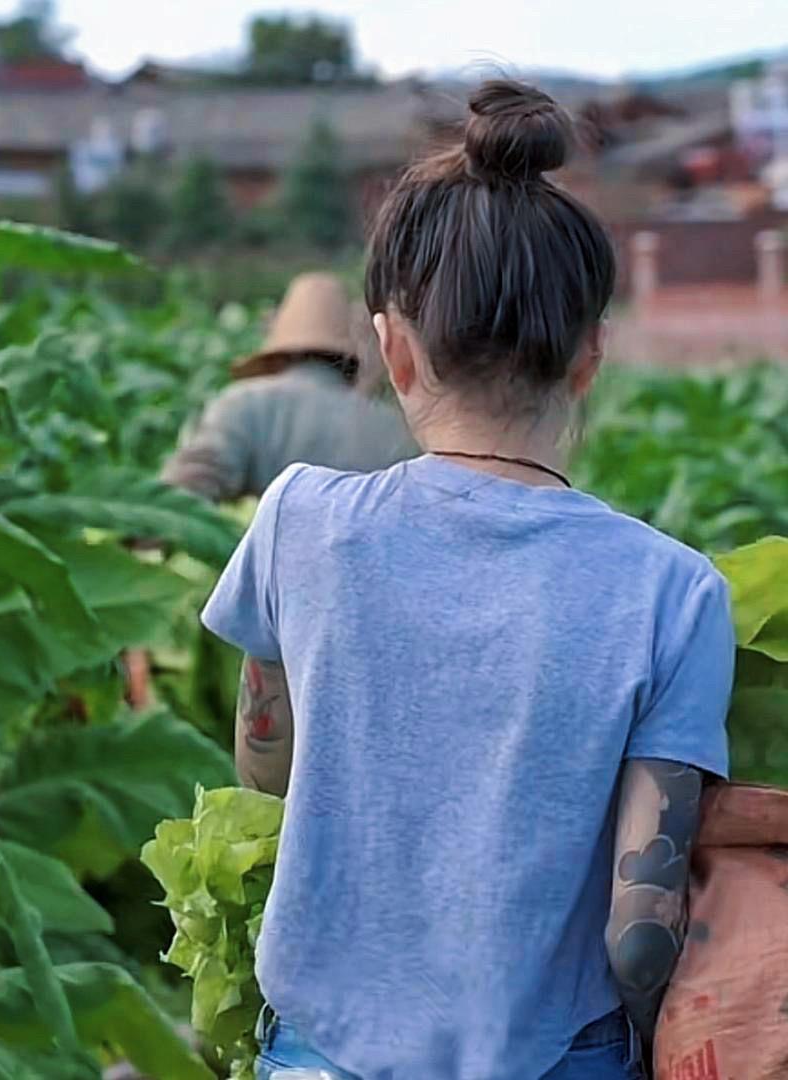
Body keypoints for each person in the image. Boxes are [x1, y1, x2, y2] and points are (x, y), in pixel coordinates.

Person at [201, 80, 734, 1080]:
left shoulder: (297, 520)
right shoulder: (675, 591)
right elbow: (640, 930)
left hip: (321, 1053)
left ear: (392, 349)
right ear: (589, 357)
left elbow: (264, 767)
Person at [160, 272, 419, 501]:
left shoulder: (241, 404)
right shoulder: (396, 429)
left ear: (277, 355)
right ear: (352, 362)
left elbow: (186, 494)